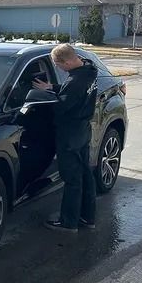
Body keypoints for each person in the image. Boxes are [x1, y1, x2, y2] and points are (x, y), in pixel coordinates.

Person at [32, 44, 98, 233]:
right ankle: (87, 217)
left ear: (68, 61)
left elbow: (61, 107)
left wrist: (42, 97)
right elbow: (73, 92)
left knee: (72, 179)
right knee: (85, 174)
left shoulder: (77, 80)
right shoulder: (88, 71)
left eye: (58, 65)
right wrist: (52, 87)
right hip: (83, 131)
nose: (58, 68)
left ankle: (69, 222)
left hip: (70, 135)